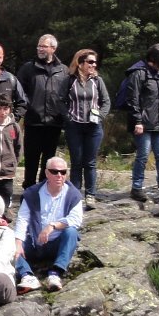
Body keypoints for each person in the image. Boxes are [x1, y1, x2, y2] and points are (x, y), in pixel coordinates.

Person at [14, 156, 83, 292]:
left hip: (57, 244)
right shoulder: (33, 193)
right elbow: (23, 219)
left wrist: (52, 226)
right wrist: (18, 243)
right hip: (35, 242)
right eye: (54, 172)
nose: (59, 175)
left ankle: (55, 273)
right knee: (7, 242)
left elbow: (76, 219)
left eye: (63, 172)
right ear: (46, 173)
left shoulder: (73, 194)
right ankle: (27, 276)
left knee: (71, 232)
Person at [124, 43, 159, 204]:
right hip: (143, 124)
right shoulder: (137, 74)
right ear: (151, 59)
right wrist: (137, 121)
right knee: (143, 156)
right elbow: (133, 100)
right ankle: (136, 187)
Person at [18, 33, 69, 188]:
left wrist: (63, 112)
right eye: (38, 46)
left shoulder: (63, 70)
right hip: (34, 122)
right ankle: (29, 189)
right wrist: (28, 107)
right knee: (31, 159)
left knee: (49, 160)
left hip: (54, 123)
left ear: (53, 48)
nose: (40, 49)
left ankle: (43, 189)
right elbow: (19, 92)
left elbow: (67, 94)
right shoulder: (28, 68)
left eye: (44, 46)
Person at [64, 48, 110, 208]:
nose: (93, 65)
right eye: (90, 62)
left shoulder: (98, 81)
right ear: (80, 63)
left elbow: (106, 101)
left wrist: (100, 116)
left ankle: (91, 195)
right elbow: (60, 100)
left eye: (95, 62)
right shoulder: (70, 80)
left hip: (93, 127)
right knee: (76, 162)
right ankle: (75, 196)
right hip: (74, 126)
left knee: (90, 162)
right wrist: (67, 117)